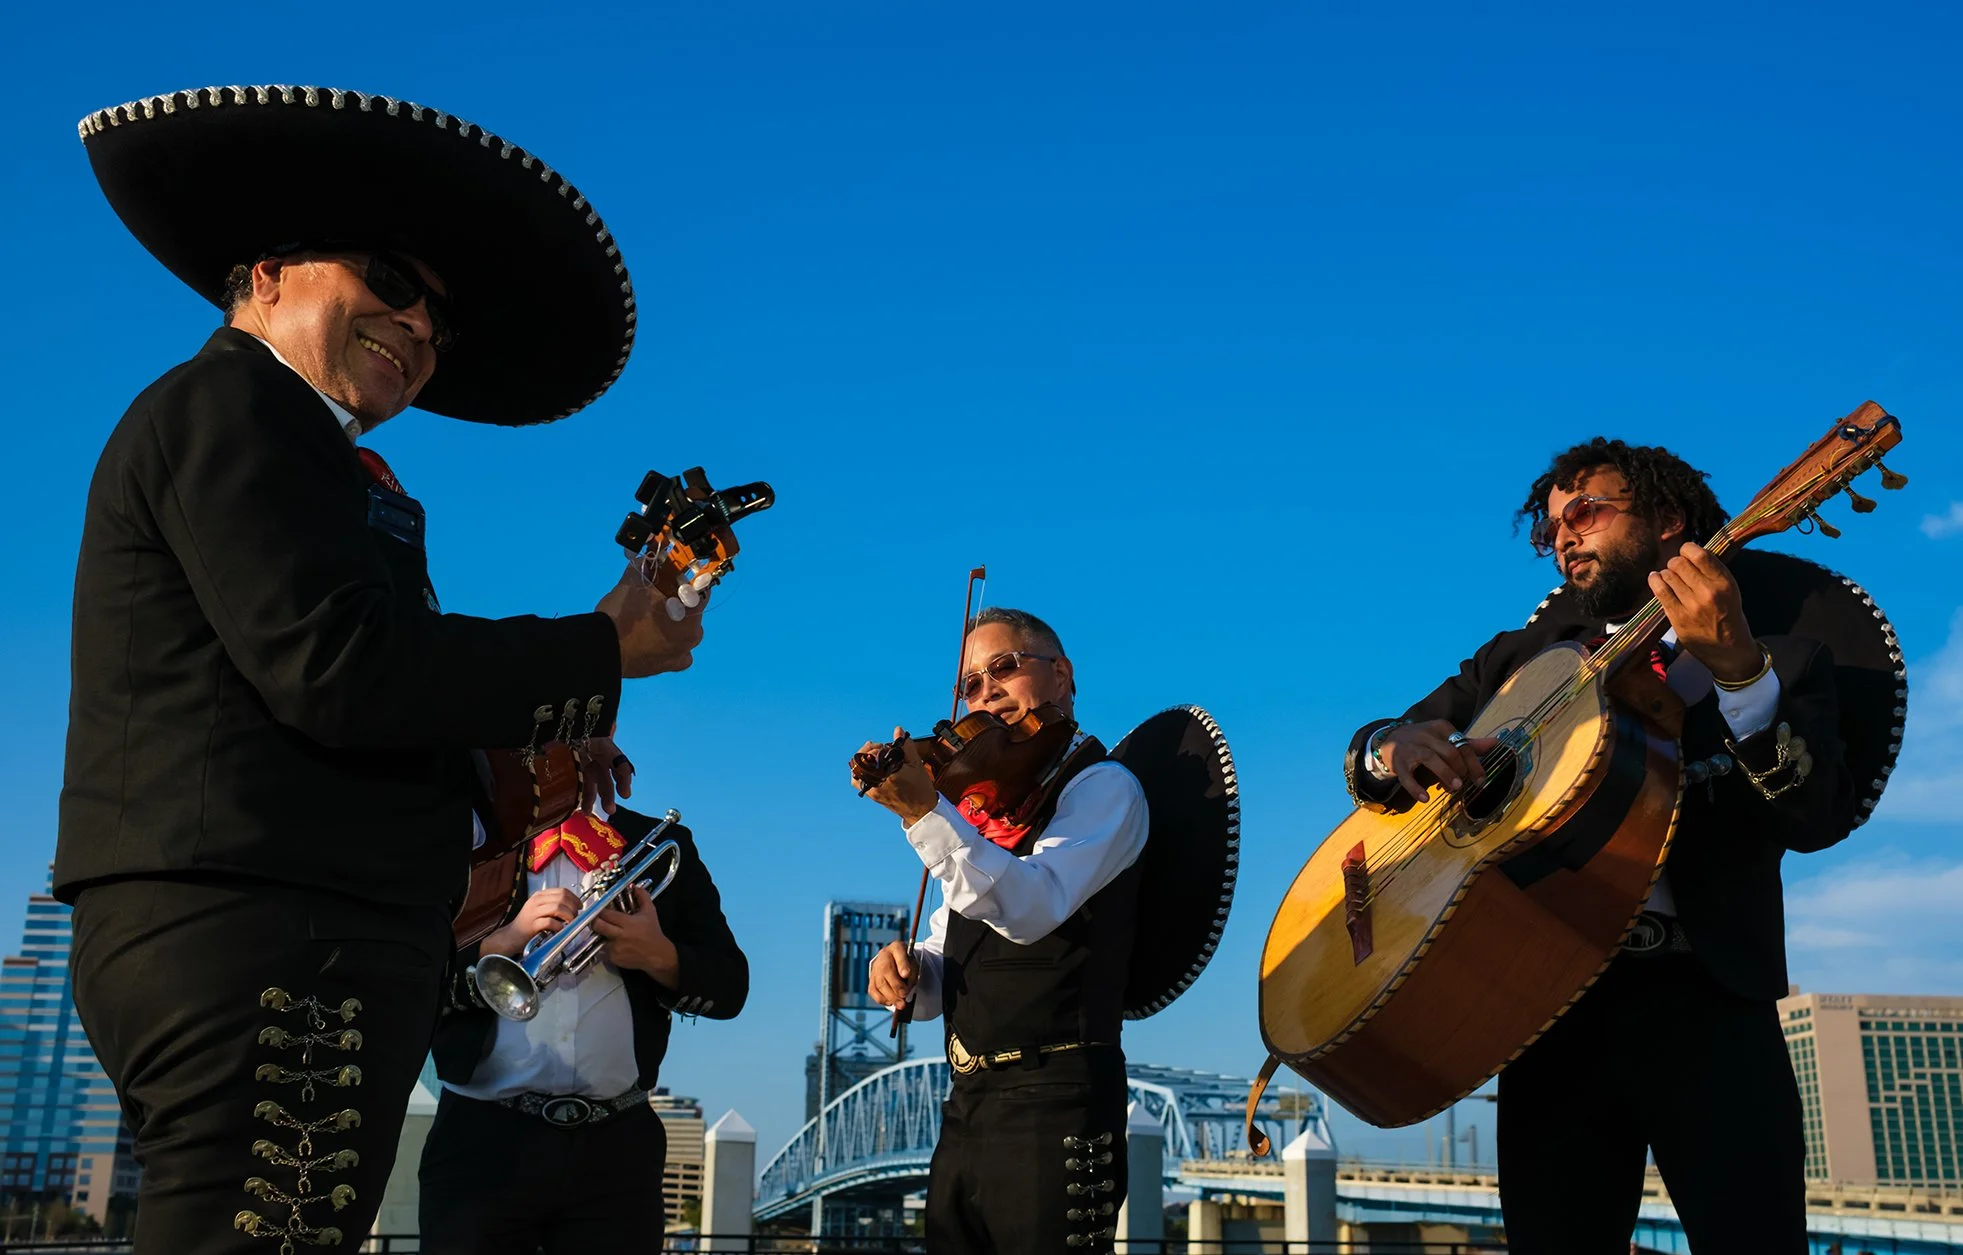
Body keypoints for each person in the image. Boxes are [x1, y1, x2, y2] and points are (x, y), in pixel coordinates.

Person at [58, 85, 704, 1253]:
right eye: (392, 282)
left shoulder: (298, 446)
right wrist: (602, 649)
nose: (418, 327)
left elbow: (352, 684)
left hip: (294, 939)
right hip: (264, 936)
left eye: (437, 321)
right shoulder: (237, 406)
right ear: (267, 272)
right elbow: (340, 666)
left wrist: (535, 742)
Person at [1344, 437, 1856, 1253]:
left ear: (1667, 519)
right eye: (1549, 528)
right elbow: (1380, 745)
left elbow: (1812, 816)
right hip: (1542, 1009)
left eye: (1583, 512)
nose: (1562, 538)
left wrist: (1737, 676)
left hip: (1709, 1005)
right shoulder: (1517, 662)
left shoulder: (1782, 664)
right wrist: (1392, 745)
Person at [854, 608, 1149, 1255]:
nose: (983, 691)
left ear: (1061, 674)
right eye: (968, 684)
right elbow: (946, 960)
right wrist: (911, 974)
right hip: (967, 1104)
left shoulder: (1101, 788)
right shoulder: (983, 819)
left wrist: (927, 814)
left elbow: (1033, 904)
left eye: (1003, 668)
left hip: (1057, 1099)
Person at [418, 803, 747, 1255]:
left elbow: (732, 986)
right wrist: (504, 941)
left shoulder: (659, 842)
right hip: (482, 1142)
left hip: (618, 1148)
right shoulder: (474, 838)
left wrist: (659, 956)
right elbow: (410, 970)